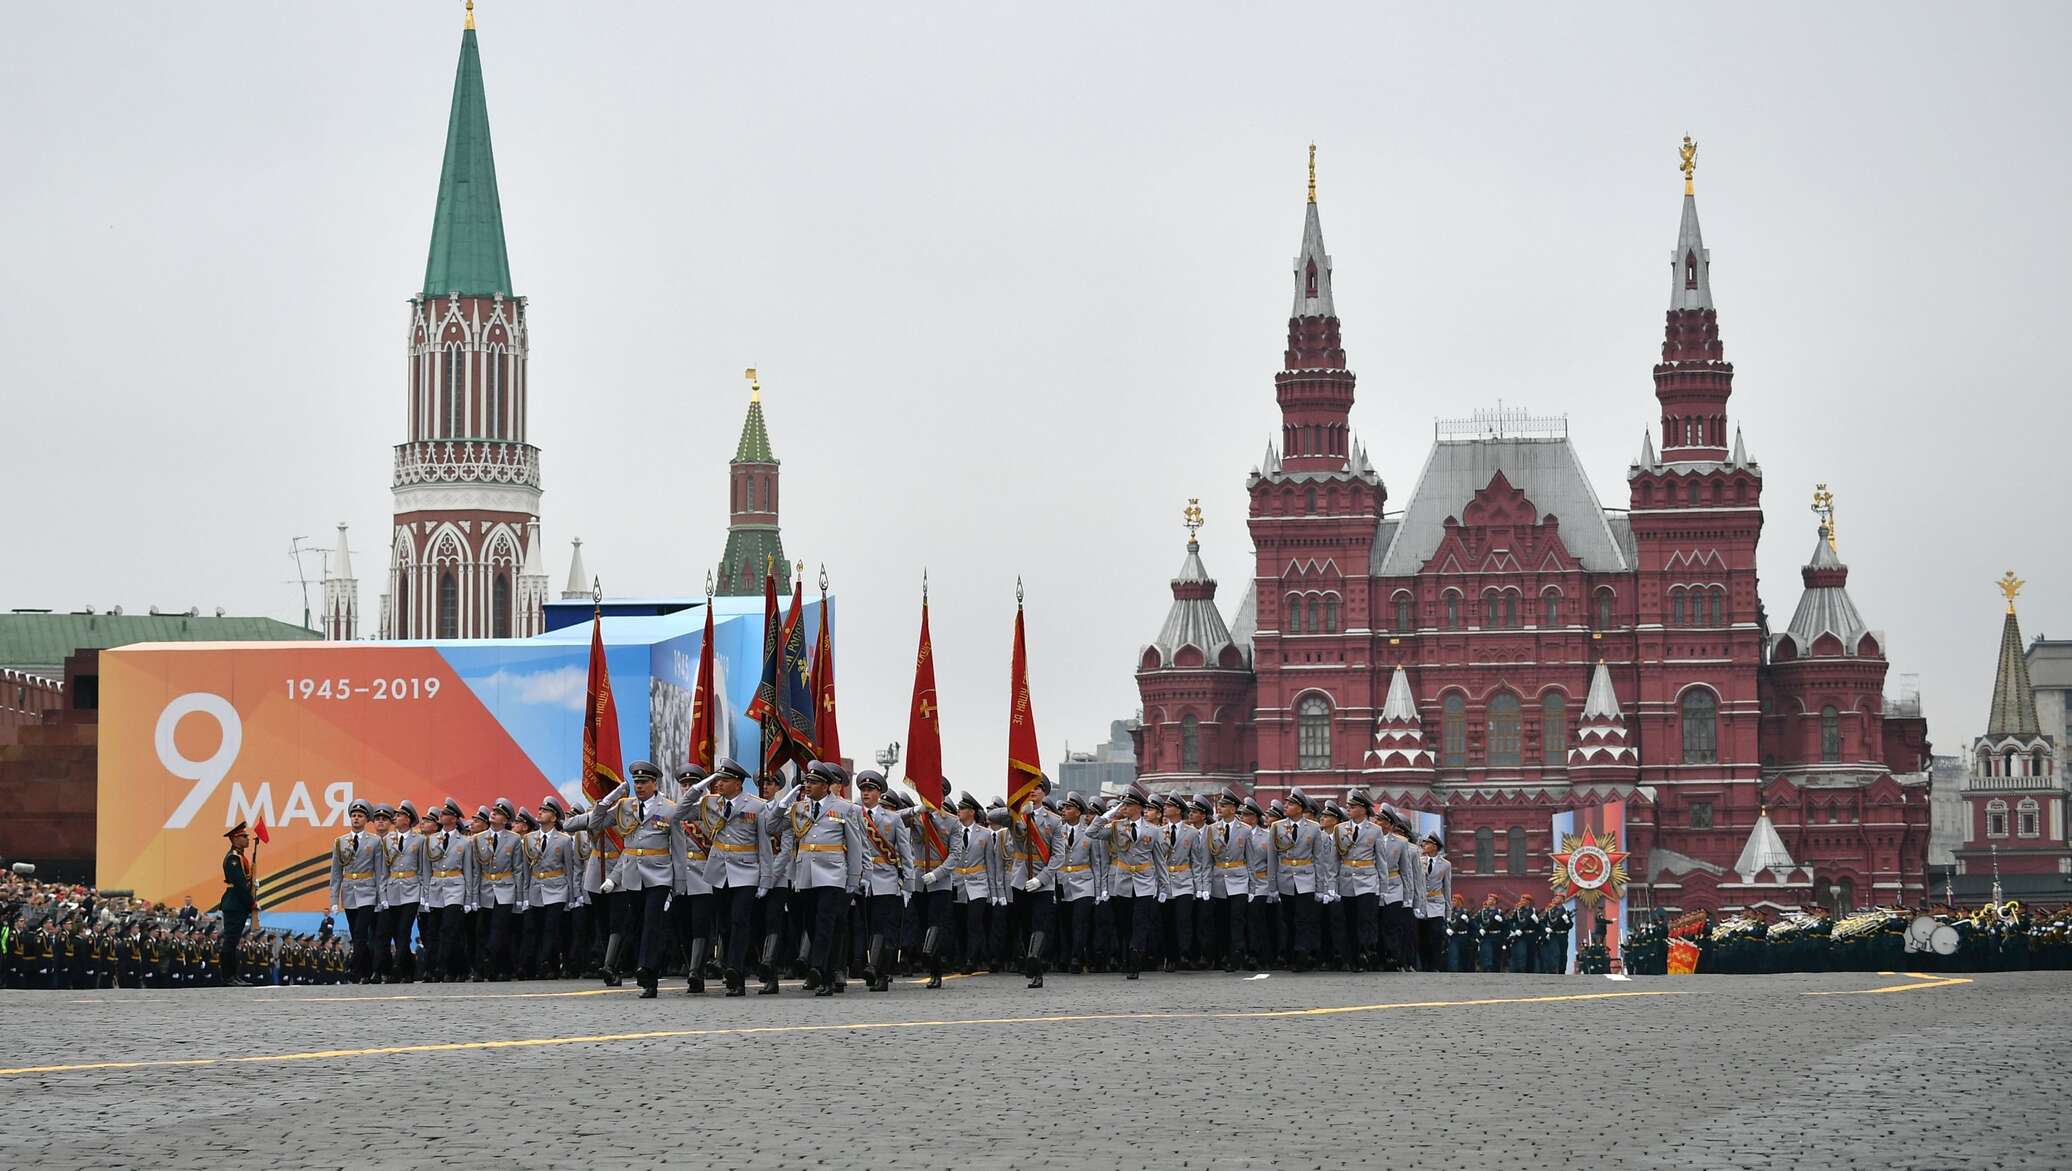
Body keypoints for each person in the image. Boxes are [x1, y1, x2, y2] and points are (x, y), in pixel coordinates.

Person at [584, 761, 678, 998]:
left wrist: (678, 885)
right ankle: (641, 969)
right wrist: (607, 800)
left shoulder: (669, 808)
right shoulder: (625, 806)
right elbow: (595, 824)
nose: (640, 786)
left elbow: (678, 848)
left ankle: (648, 972)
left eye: (644, 782)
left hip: (659, 875)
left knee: (652, 924)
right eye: (636, 782)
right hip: (632, 875)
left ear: (654, 783)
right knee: (634, 924)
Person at [1089, 786, 1160, 979]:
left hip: (1145, 881)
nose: (1124, 808)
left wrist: (1163, 887)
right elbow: (1091, 833)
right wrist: (1108, 815)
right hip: (1123, 881)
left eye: (1128, 804)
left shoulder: (1153, 830)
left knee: (1141, 922)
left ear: (1139, 806)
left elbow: (1159, 860)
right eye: (1123, 804)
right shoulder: (1116, 826)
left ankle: (1136, 956)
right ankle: (1128, 956)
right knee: (1125, 923)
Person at [852, 771, 911, 993]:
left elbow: (905, 853)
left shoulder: (893, 818)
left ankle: (880, 971)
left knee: (882, 927)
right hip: (861, 880)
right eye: (863, 790)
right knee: (863, 926)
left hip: (886, 878)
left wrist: (908, 885)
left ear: (879, 792)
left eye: (870, 790)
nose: (865, 793)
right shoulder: (854, 814)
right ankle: (869, 966)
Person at [329, 798, 385, 983]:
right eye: (353, 815)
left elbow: (380, 870)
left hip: (368, 891)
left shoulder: (375, 841)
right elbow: (336, 872)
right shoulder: (340, 842)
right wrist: (334, 900)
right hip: (349, 892)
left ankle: (356, 970)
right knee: (356, 934)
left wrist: (380, 896)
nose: (356, 819)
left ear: (366, 819)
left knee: (361, 932)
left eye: (360, 816)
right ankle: (366, 971)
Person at [523, 797, 580, 980]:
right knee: (538, 928)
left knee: (551, 927)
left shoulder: (563, 840)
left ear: (554, 818)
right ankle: (552, 965)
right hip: (536, 888)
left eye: (545, 810)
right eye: (539, 809)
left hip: (557, 888)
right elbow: (525, 869)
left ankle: (543, 963)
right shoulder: (529, 839)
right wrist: (524, 894)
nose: (540, 812)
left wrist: (572, 896)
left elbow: (570, 869)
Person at [472, 798, 526, 982]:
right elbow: (475, 870)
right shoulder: (478, 839)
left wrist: (520, 897)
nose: (494, 813)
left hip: (506, 887)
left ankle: (494, 964)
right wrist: (473, 896)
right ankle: (485, 969)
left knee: (500, 929)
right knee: (482, 930)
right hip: (485, 888)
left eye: (499, 813)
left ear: (506, 820)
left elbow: (518, 868)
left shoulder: (514, 839)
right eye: (494, 810)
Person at [422, 799, 476, 982]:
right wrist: (426, 895)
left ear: (454, 819)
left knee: (448, 928)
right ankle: (459, 967)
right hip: (436, 886)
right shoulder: (430, 840)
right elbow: (426, 870)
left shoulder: (465, 842)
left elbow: (468, 871)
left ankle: (442, 967)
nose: (441, 816)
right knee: (435, 930)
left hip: (455, 886)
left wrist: (469, 898)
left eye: (445, 814)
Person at [219, 821, 258, 986]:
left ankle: (233, 975)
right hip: (235, 903)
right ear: (235, 839)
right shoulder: (233, 858)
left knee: (234, 941)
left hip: (238, 904)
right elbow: (240, 885)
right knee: (230, 941)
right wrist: (251, 902)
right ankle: (228, 976)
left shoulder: (240, 857)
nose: (247, 839)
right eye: (244, 836)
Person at [1417, 832, 1451, 972]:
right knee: (1422, 937)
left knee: (1435, 936)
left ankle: (1435, 966)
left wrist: (1448, 912)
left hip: (1437, 904)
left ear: (1435, 846)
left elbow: (1447, 888)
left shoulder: (1445, 865)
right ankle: (1425, 966)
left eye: (1427, 843)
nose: (1424, 846)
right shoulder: (1418, 861)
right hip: (1421, 904)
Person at [1475, 893, 1507, 973]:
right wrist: (1480, 929)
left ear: (1495, 902)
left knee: (1496, 955)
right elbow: (1475, 922)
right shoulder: (1482, 912)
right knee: (1487, 953)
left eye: (1492, 900)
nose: (1490, 901)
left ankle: (1496, 971)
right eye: (1489, 899)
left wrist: (1501, 921)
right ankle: (1487, 970)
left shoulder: (1499, 912)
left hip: (1497, 936)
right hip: (1487, 936)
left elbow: (1506, 925)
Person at [1541, 899, 1573, 974]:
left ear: (1561, 901)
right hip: (1554, 935)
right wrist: (1546, 928)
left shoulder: (1566, 912)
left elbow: (1570, 925)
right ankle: (1554, 970)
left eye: (1558, 898)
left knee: (1563, 954)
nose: (1555, 900)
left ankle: (1562, 971)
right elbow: (1542, 922)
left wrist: (1567, 921)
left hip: (1563, 935)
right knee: (1556, 953)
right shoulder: (1550, 911)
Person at [1510, 894, 1540, 973]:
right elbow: (1510, 922)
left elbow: (1538, 925)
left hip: (1531, 935)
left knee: (1531, 953)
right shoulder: (1518, 911)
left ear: (1528, 901)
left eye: (1524, 900)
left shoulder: (1533, 911)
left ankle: (1530, 971)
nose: (1521, 901)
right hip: (1521, 935)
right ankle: (1521, 969)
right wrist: (1515, 930)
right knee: (1521, 953)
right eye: (1521, 900)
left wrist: (1536, 921)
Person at [1445, 894, 1474, 972]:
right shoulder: (1449, 912)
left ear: (1460, 901)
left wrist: (1467, 920)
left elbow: (1472, 926)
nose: (1452, 902)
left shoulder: (1465, 911)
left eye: (1455, 900)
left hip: (1463, 936)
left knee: (1463, 956)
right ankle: (1453, 972)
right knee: (1453, 955)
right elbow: (1444, 923)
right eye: (1452, 900)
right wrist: (1447, 929)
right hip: (1454, 936)